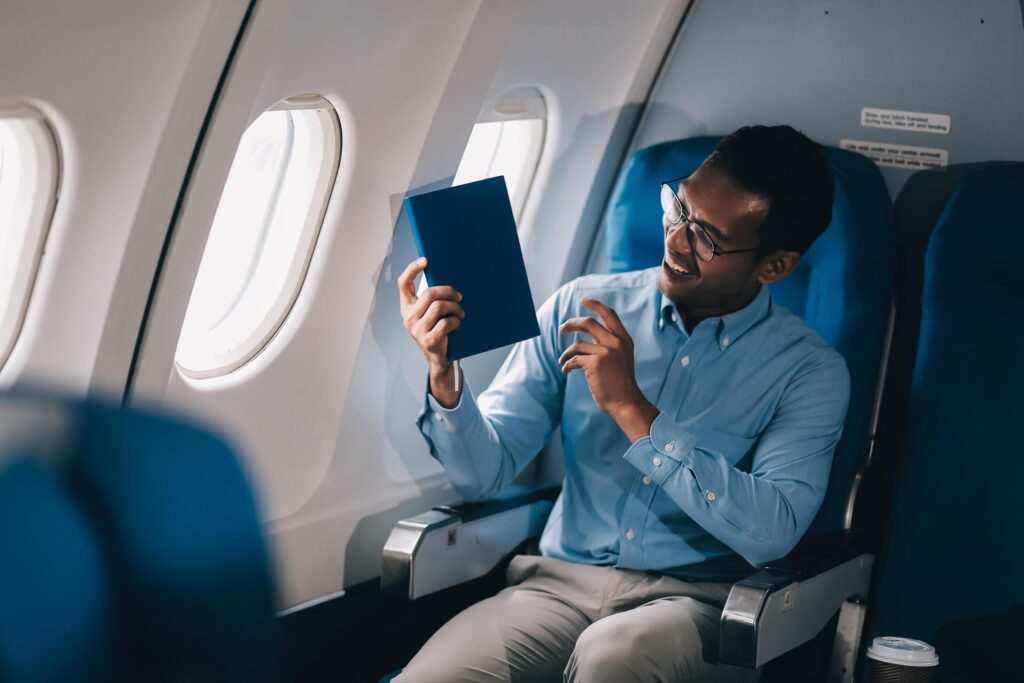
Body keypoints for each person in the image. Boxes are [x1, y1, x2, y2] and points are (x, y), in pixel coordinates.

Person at [394, 125, 850, 682]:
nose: (676, 240)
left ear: (774, 266)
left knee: (614, 657)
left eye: (705, 237)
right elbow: (481, 476)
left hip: (695, 610)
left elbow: (774, 529)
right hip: (556, 589)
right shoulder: (580, 304)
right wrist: (444, 374)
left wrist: (634, 410)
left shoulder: (809, 371)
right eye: (678, 206)